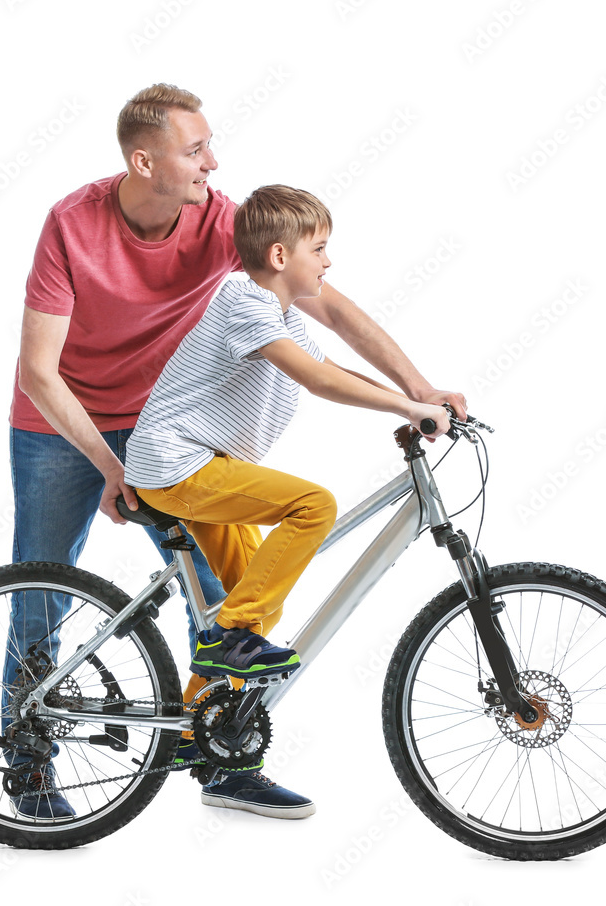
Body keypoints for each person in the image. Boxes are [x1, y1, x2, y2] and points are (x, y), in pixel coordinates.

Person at [4, 82, 467, 820]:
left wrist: (419, 385)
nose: (213, 162)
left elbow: (329, 309)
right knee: (40, 593)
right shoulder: (73, 223)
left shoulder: (222, 222)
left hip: (170, 421)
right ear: (143, 160)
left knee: (224, 598)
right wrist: (108, 463)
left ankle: (222, 760)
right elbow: (39, 368)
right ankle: (27, 768)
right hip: (66, 421)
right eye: (195, 150)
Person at [124, 184, 457, 818]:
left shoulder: (279, 313)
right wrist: (409, 406)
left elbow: (336, 369)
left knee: (255, 597)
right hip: (177, 466)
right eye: (320, 249)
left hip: (204, 465)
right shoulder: (245, 304)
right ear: (279, 255)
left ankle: (198, 739)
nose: (328, 264)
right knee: (313, 507)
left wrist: (418, 398)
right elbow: (317, 380)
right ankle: (222, 638)